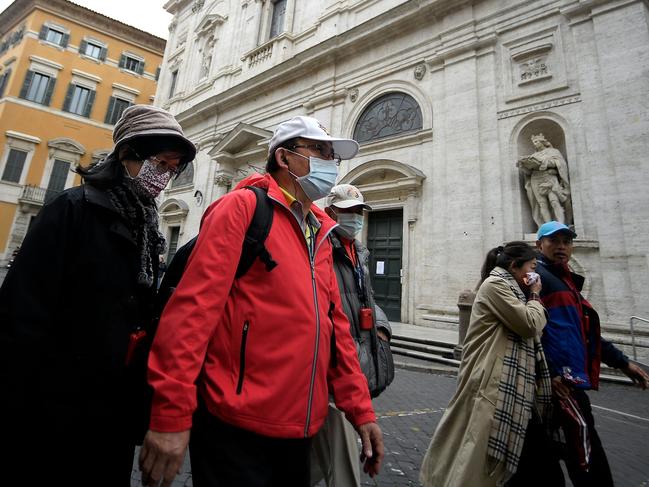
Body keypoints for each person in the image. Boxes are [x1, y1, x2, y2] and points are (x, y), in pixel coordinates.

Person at [139, 116, 384, 487]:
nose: (330, 162)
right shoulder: (239, 209)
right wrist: (170, 416)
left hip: (301, 427)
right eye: (319, 150)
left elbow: (336, 330)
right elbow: (192, 314)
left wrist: (360, 409)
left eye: (332, 155)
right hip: (234, 425)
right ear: (284, 159)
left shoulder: (319, 229)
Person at [0, 104, 196, 486]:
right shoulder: (72, 210)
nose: (167, 177)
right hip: (52, 407)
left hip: (111, 409)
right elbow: (19, 317)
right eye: (162, 163)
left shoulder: (147, 221)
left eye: (174, 169)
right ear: (128, 154)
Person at [420, 241, 556, 487]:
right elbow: (528, 323)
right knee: (477, 452)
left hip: (510, 384)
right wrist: (535, 294)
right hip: (493, 382)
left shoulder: (510, 288)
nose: (535, 274)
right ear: (515, 266)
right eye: (532, 267)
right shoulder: (496, 286)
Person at [535, 221, 649, 486]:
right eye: (554, 241)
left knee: (561, 457)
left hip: (570, 382)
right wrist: (549, 373)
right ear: (539, 244)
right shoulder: (539, 279)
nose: (561, 246)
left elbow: (584, 331)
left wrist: (622, 362)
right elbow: (530, 332)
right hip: (559, 384)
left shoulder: (566, 281)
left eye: (566, 241)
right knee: (586, 459)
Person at [310, 184, 394, 487]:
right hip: (333, 370)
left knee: (317, 458)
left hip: (356, 365)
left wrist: (382, 327)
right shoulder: (321, 248)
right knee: (342, 459)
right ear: (331, 213)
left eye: (359, 211)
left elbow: (366, 297)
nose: (356, 217)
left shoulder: (358, 251)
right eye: (349, 211)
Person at [517, 133, 572, 227]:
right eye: (533, 142)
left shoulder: (553, 151)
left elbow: (560, 163)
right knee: (542, 204)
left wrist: (545, 163)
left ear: (542, 142)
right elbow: (529, 173)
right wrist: (522, 167)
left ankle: (561, 225)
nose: (535, 144)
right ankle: (548, 226)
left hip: (549, 178)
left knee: (554, 201)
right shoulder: (534, 155)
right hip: (535, 179)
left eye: (536, 141)